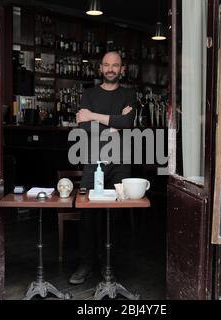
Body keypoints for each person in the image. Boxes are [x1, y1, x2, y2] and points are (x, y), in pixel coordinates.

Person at [69, 52, 136, 285]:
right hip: (92, 160)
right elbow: (84, 128)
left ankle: (109, 266)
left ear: (122, 69)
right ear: (100, 69)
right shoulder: (89, 94)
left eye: (115, 65)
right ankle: (86, 264)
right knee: (88, 213)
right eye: (107, 65)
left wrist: (95, 117)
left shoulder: (129, 94)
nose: (111, 69)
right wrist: (114, 125)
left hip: (121, 163)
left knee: (114, 215)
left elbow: (127, 123)